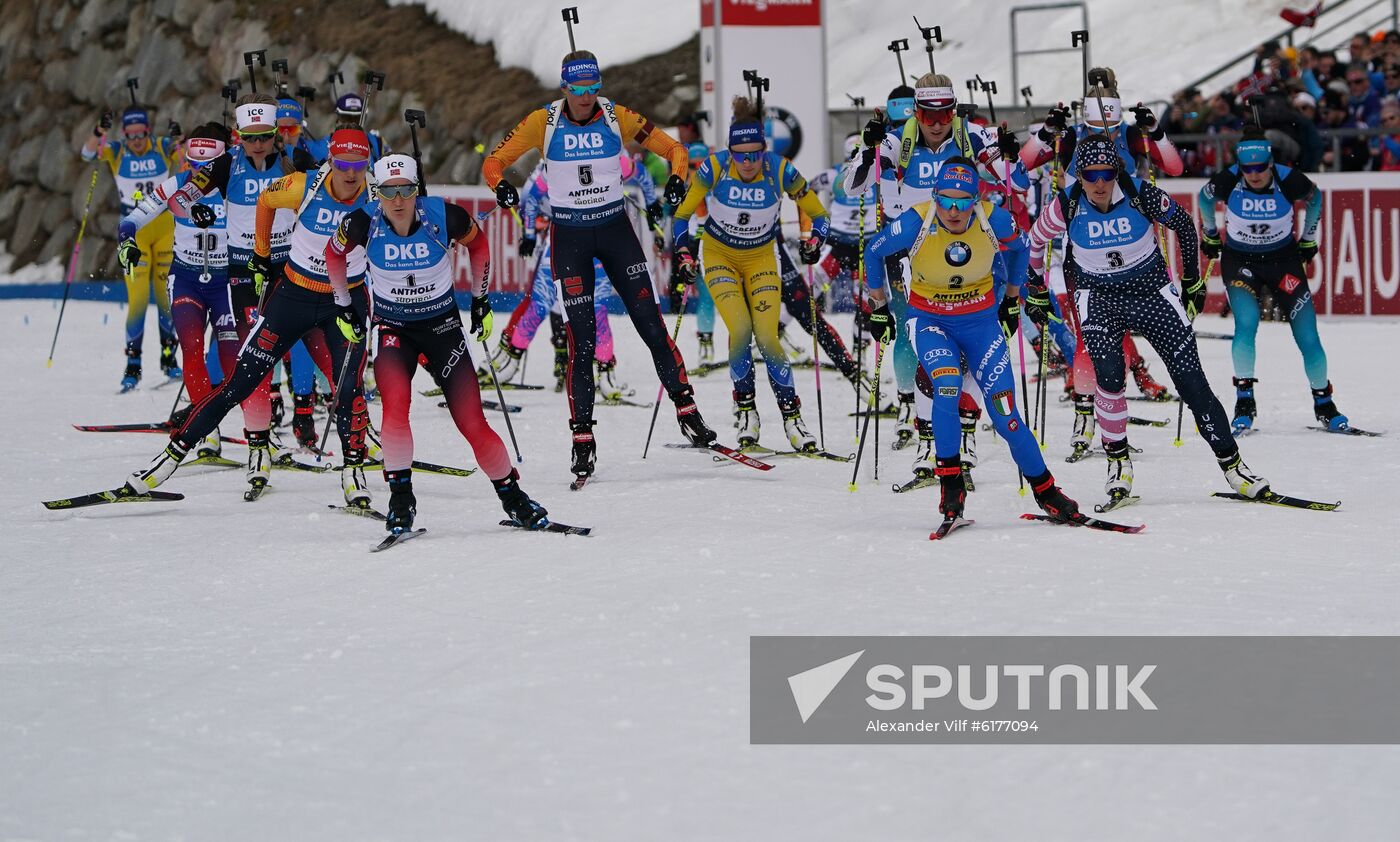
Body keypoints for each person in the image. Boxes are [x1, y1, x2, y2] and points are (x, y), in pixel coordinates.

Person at [483, 49, 717, 484]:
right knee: (582, 341)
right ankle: (583, 439)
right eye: (579, 90)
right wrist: (502, 188)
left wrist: (677, 176)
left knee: (651, 326)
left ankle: (688, 412)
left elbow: (674, 149)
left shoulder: (617, 116)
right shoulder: (543, 121)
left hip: (615, 233)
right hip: (568, 237)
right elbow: (492, 162)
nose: (587, 97)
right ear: (564, 88)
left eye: (594, 88)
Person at [125, 129, 376, 505]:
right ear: (331, 162)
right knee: (238, 383)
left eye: (359, 166)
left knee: (348, 386)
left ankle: (354, 470)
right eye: (343, 164)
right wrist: (259, 252)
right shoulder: (302, 184)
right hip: (291, 293)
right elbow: (262, 200)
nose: (351, 174)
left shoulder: (380, 196)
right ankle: (169, 459)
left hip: (345, 299)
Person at [1024, 135, 1270, 507]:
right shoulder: (1066, 203)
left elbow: (1185, 226)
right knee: (1108, 377)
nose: (1100, 183)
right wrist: (1036, 289)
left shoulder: (1141, 193)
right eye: (1091, 175)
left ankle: (1234, 467)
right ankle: (1118, 464)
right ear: (1079, 175)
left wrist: (1190, 281)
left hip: (1151, 292)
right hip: (1098, 297)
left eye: (1107, 173)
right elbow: (1035, 242)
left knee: (1192, 384)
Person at [325, 154, 548, 533]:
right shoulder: (362, 221)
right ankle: (401, 499)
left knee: (472, 421)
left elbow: (479, 247)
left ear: (416, 190)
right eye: (388, 191)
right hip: (393, 329)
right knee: (395, 410)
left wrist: (480, 300)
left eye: (406, 190)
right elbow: (333, 254)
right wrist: (344, 305)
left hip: (442, 327)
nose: (397, 200)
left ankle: (513, 498)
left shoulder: (445, 217)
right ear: (376, 191)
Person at [862, 159, 1079, 525]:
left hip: (980, 323)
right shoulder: (918, 219)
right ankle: (951, 485)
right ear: (935, 197)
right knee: (947, 387)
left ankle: (1047, 491)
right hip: (929, 320)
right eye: (945, 200)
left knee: (1006, 415)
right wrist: (878, 306)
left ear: (976, 200)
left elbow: (1021, 248)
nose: (953, 210)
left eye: (963, 202)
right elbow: (873, 249)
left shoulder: (994, 219)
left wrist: (1012, 298)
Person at [844, 75, 1029, 474]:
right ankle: (925, 433)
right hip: (914, 256)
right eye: (928, 113)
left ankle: (967, 431)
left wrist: (1009, 156)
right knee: (922, 348)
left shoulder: (972, 136)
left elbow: (1019, 183)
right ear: (917, 111)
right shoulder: (898, 141)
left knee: (974, 351)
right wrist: (867, 149)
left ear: (954, 109)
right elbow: (854, 186)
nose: (937, 121)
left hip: (973, 252)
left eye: (945, 112)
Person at [671, 96, 830, 451]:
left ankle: (793, 418)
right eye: (740, 154)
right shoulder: (715, 168)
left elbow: (819, 215)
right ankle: (746, 411)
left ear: (764, 149)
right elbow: (681, 216)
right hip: (720, 256)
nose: (747, 162)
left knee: (768, 337)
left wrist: (814, 241)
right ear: (730, 151)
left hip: (760, 259)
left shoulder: (780, 170)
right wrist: (683, 251)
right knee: (741, 330)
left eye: (754, 153)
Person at [1198, 128, 1347, 433]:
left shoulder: (1288, 178)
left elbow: (1315, 198)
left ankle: (1324, 405)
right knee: (1247, 323)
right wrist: (1210, 233)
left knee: (1307, 336)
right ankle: (1245, 402)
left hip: (1283, 262)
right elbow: (1204, 198)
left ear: (1270, 162)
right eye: (1247, 169)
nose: (1253, 175)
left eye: (1260, 168)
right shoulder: (1229, 179)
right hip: (1241, 263)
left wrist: (1308, 237)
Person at [118, 123, 237, 458]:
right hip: (186, 279)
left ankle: (256, 431)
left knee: (233, 361)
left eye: (205, 167)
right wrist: (127, 241)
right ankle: (207, 430)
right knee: (192, 348)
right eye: (191, 164)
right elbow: (134, 218)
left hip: (225, 282)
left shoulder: (236, 187)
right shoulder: (178, 184)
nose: (196, 174)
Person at [81, 104, 181, 389]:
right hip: (132, 233)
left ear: (148, 131)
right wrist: (98, 131)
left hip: (163, 229)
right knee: (137, 301)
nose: (137, 140)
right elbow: (87, 154)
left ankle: (168, 358)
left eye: (141, 134)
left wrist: (180, 139)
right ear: (124, 134)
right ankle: (133, 365)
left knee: (166, 298)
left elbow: (188, 162)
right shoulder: (116, 151)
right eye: (131, 135)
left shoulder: (161, 146)